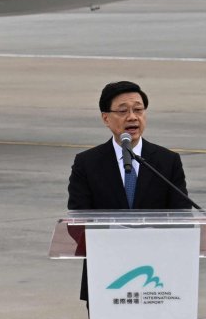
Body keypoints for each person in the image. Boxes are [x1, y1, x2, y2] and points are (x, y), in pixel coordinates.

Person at [66, 81, 191, 302]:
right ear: (106, 118)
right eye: (123, 111)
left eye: (138, 109)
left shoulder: (166, 161)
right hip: (106, 274)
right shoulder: (87, 163)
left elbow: (182, 216)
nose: (132, 117)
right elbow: (77, 219)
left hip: (158, 276)